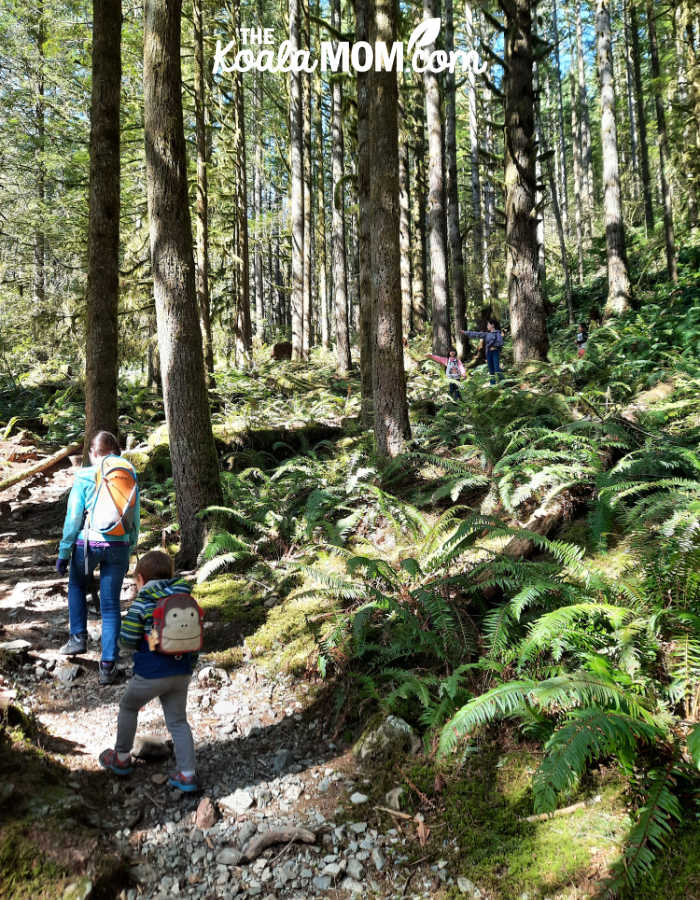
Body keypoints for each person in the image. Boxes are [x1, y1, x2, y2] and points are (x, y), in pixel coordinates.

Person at [99, 550, 199, 793]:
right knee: (177, 721)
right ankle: (188, 775)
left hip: (151, 673)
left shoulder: (143, 602)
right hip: (181, 672)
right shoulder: (186, 599)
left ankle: (121, 758)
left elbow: (128, 639)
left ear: (141, 579)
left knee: (129, 706)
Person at [56, 430, 140, 685]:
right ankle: (108, 666)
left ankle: (77, 638)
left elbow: (73, 518)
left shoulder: (84, 475)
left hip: (88, 543)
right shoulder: (129, 472)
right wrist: (130, 546)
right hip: (119, 545)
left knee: (77, 585)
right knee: (111, 604)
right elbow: (133, 516)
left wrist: (64, 551)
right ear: (116, 451)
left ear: (94, 452)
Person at [461, 319, 504, 384]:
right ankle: (492, 384)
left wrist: (494, 346)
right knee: (491, 369)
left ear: (492, 325)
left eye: (488, 324)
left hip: (495, 352)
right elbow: (477, 334)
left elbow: (500, 343)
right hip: (489, 353)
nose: (487, 326)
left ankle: (502, 383)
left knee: (496, 368)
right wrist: (466, 332)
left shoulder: (498, 333)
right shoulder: (487, 334)